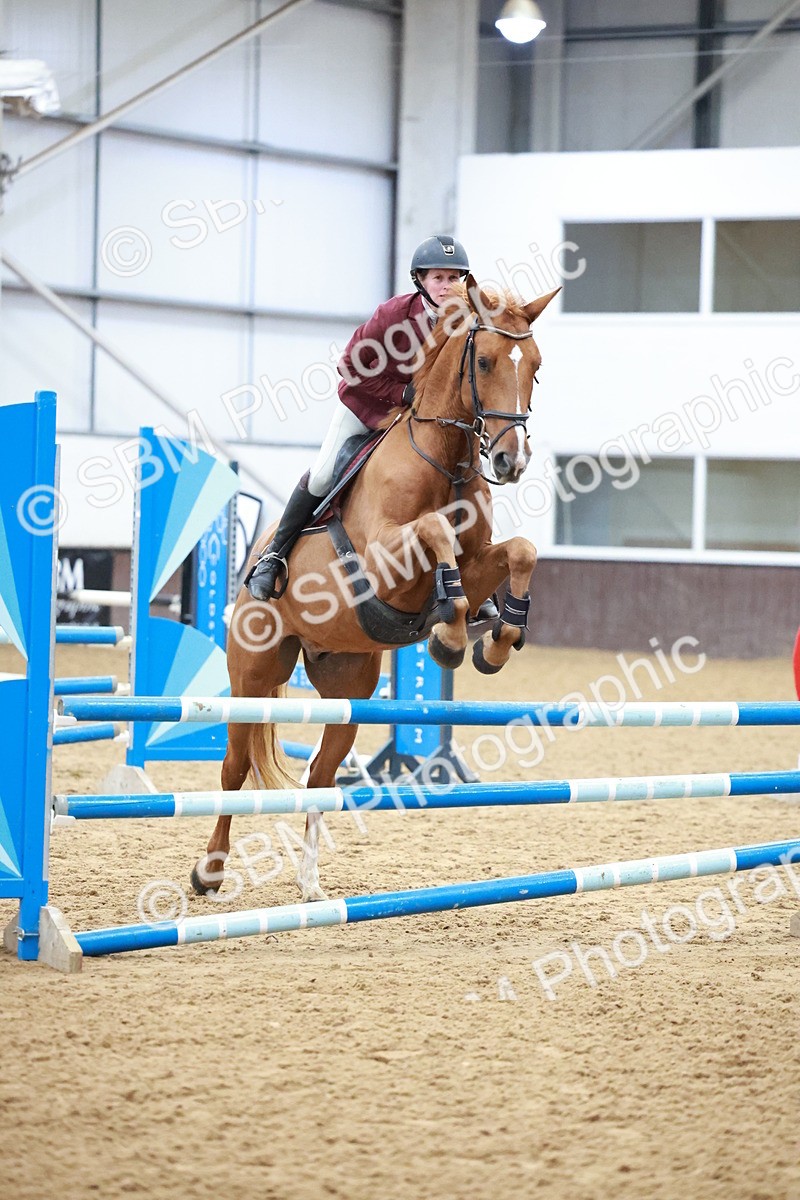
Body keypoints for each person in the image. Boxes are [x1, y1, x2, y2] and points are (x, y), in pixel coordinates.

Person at [245, 235, 474, 603]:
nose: (447, 287)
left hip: (421, 423)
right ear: (421, 281)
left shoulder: (467, 324)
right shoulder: (394, 315)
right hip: (368, 409)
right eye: (438, 278)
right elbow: (350, 365)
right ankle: (273, 557)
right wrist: (400, 395)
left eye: (454, 278)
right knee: (322, 474)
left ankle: (472, 574)